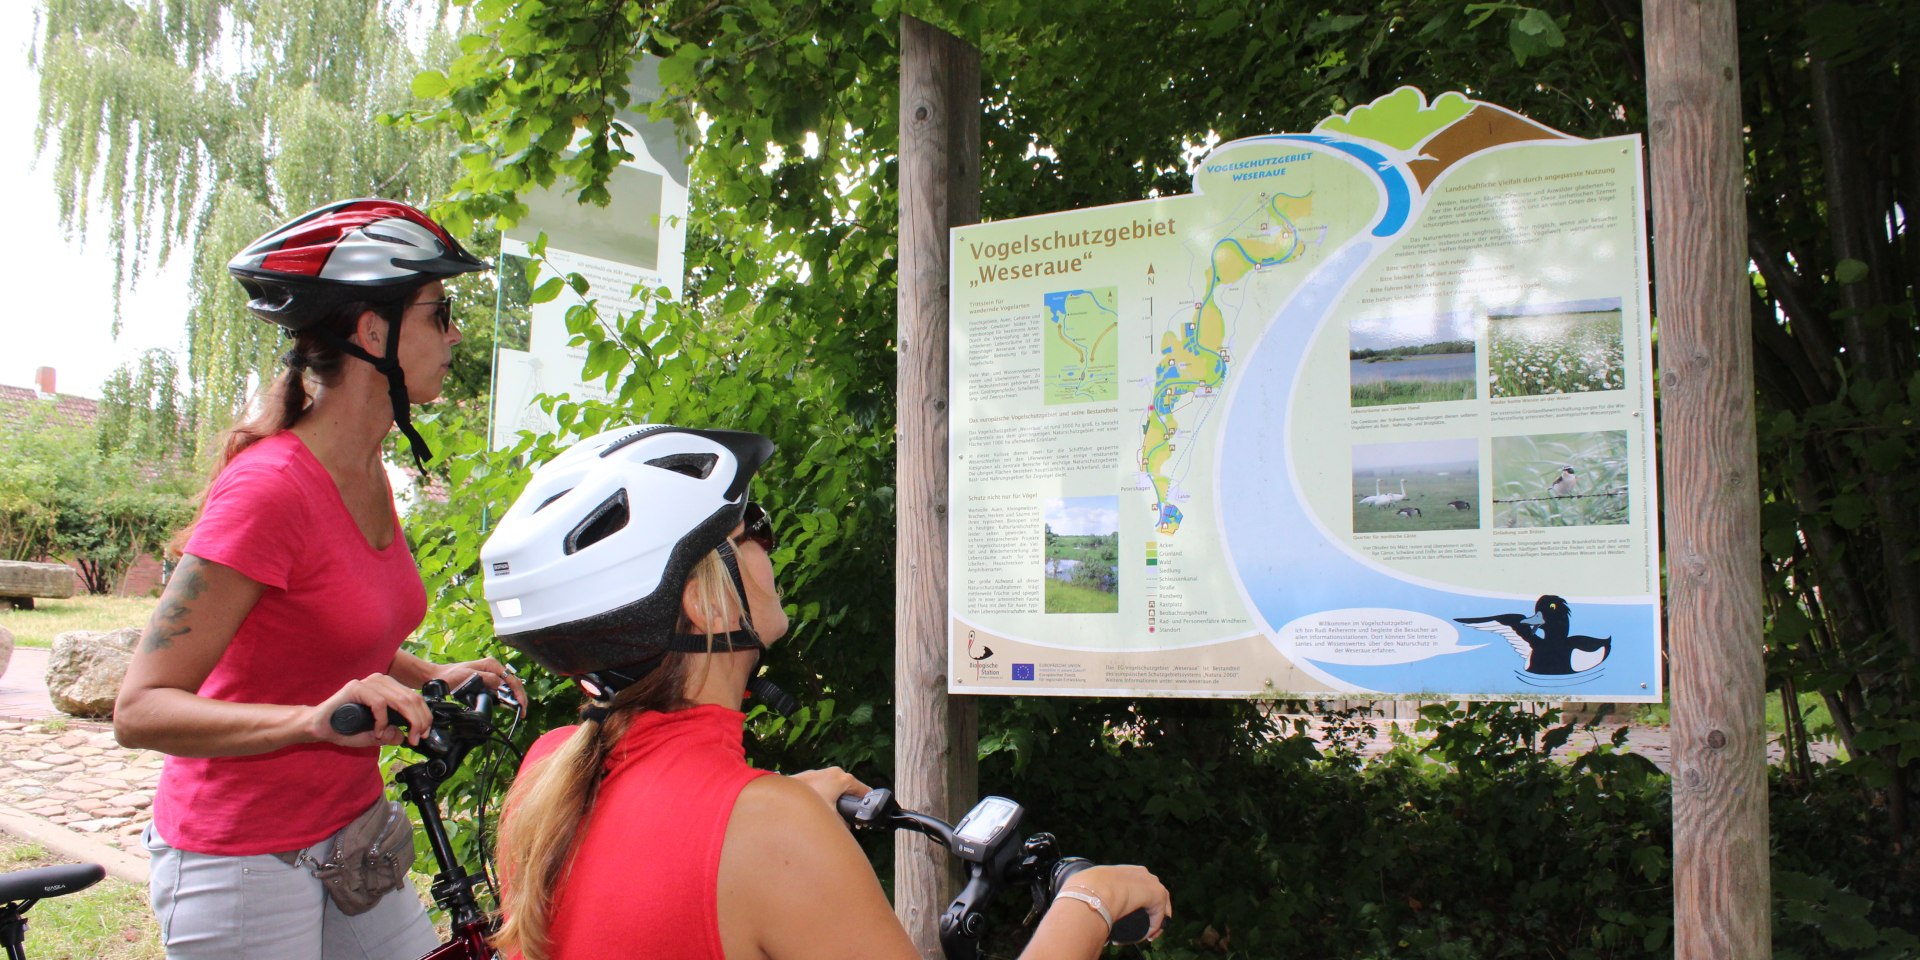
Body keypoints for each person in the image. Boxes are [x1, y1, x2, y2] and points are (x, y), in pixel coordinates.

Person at [480, 425, 1172, 960]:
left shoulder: (547, 772)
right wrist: (1090, 898)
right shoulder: (766, 830)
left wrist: (766, 816)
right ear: (708, 606)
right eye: (753, 527)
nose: (769, 545)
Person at [114, 198, 528, 960]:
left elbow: (327, 625)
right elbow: (140, 709)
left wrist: (425, 671)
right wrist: (310, 721)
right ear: (372, 332)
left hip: (351, 836)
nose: (455, 333)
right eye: (439, 313)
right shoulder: (269, 489)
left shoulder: (368, 471)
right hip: (240, 859)